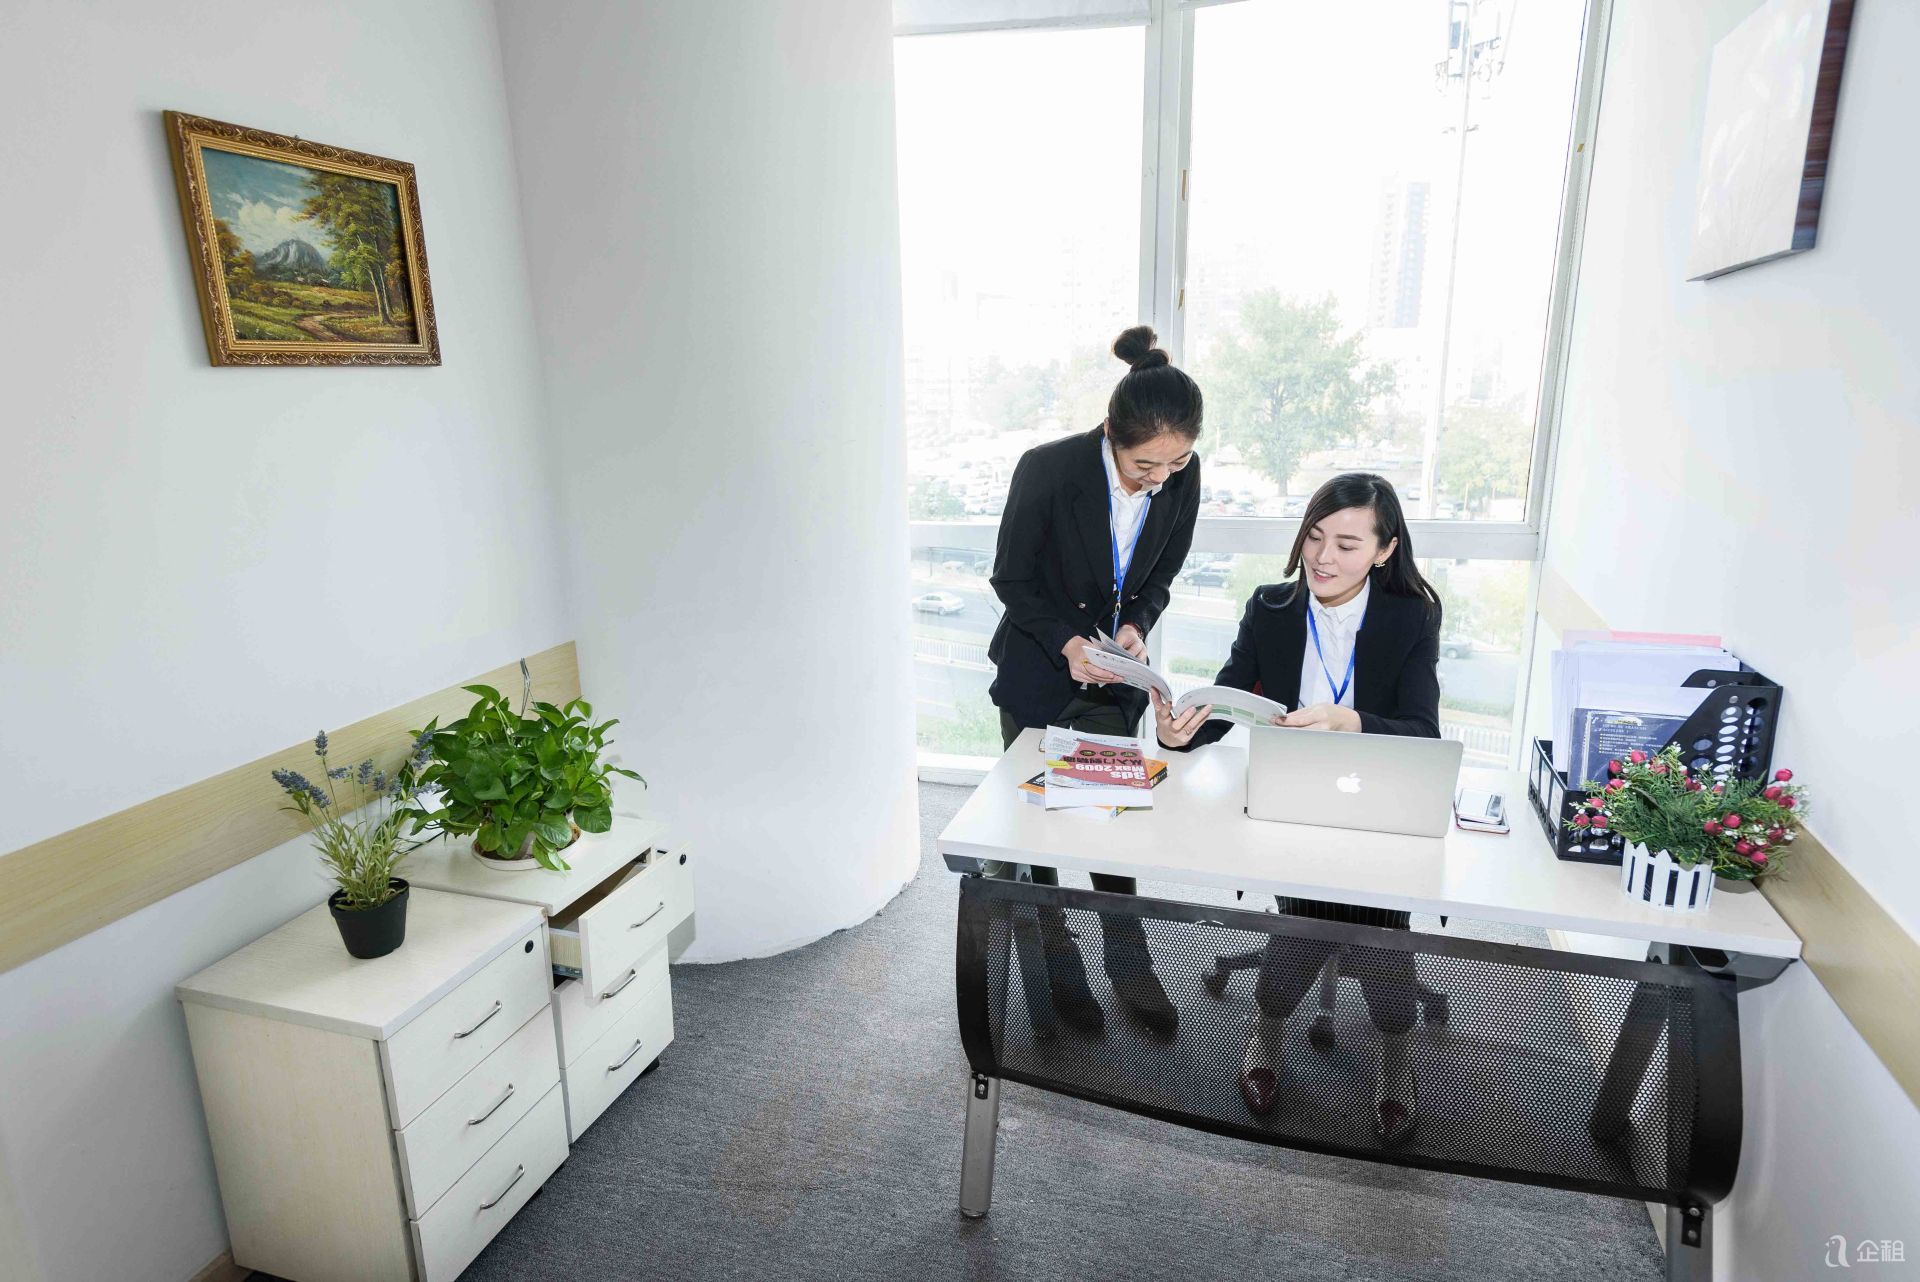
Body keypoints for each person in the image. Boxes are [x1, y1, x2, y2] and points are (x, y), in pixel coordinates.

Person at [1154, 472, 1440, 1146]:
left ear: (1384, 551)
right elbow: (1229, 696)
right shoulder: (1272, 607)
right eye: (1314, 537)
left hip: (1373, 798)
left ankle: (1389, 1059)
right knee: (1326, 918)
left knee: (1367, 926)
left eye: (1347, 543)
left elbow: (1422, 732)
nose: (1323, 557)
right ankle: (1270, 1032)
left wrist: (1351, 721)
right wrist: (1180, 732)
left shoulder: (1412, 616)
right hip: (1291, 798)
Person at [987, 324, 1204, 1041]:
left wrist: (1137, 622)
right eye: (1146, 464)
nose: (1161, 477)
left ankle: (1129, 963)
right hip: (1040, 671)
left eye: (1177, 461)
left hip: (1114, 678)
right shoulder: (1048, 469)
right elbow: (1011, 579)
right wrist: (1067, 641)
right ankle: (1059, 970)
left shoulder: (1182, 474)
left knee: (1112, 823)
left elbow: (1162, 571)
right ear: (1111, 432)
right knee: (1040, 835)